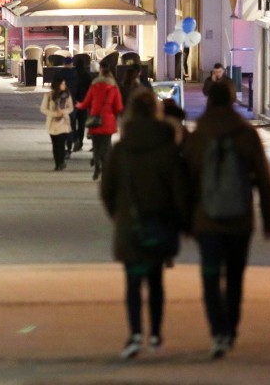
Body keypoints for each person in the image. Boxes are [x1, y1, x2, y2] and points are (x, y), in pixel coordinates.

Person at [183, 80, 270, 359]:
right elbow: (263, 178)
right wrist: (269, 218)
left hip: (206, 220)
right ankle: (231, 329)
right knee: (235, 277)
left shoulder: (199, 135)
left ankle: (218, 333)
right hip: (240, 220)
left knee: (211, 277)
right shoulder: (246, 133)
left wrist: (185, 219)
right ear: (233, 100)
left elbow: (186, 179)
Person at [100, 89, 188, 359]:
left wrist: (120, 215)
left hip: (131, 223)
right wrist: (181, 222)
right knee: (156, 280)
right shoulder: (167, 147)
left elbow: (107, 190)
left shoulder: (121, 149)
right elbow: (180, 189)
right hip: (160, 222)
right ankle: (156, 334)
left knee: (133, 281)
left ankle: (135, 333)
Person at [77, 59, 123, 180]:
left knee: (96, 146)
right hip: (108, 121)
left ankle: (97, 166)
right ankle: (106, 168)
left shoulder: (94, 86)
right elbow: (118, 107)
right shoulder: (114, 88)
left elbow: (85, 103)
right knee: (106, 145)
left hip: (95, 120)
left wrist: (77, 105)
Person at [40, 75, 74, 171]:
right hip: (53, 123)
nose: (64, 85)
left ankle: (61, 162)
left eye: (65, 83)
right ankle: (57, 163)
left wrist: (63, 112)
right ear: (57, 85)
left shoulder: (67, 95)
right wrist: (54, 113)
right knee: (55, 144)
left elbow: (71, 108)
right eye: (63, 83)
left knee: (61, 143)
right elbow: (43, 109)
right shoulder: (49, 96)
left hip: (63, 122)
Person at [56, 57, 78, 157]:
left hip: (61, 103)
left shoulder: (59, 74)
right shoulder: (76, 75)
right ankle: (69, 148)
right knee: (70, 125)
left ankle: (61, 147)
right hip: (72, 103)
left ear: (64, 63)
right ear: (72, 64)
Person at [71, 55, 92, 152]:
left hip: (73, 101)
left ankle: (75, 139)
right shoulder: (87, 75)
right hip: (84, 101)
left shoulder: (72, 73)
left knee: (72, 122)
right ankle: (80, 141)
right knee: (81, 123)